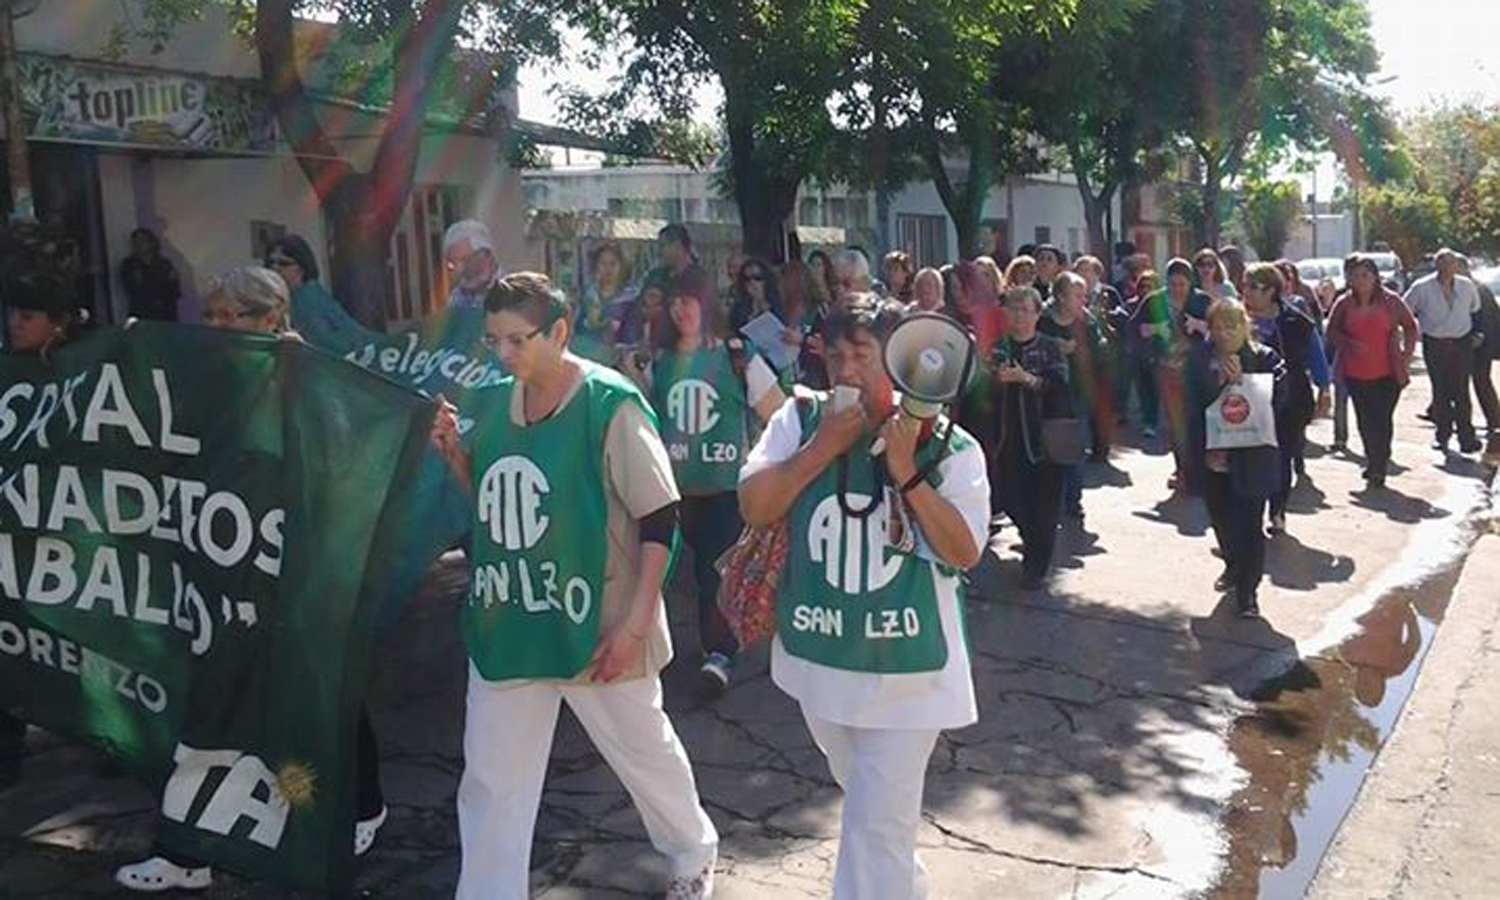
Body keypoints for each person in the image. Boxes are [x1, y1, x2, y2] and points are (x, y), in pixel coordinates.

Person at [431, 273, 718, 900]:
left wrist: (636, 624)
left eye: (517, 340)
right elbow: (496, 504)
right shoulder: (495, 405)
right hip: (512, 619)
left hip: (600, 623)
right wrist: (456, 457)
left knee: (642, 752)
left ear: (559, 332)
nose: (504, 355)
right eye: (494, 341)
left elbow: (658, 517)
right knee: (492, 777)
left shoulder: (609, 402)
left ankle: (691, 848)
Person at [116, 266, 388, 893]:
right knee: (210, 705)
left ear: (272, 318)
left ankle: (361, 806)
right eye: (209, 315)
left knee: (322, 692)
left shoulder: (308, 376)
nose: (216, 327)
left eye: (232, 315)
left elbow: (350, 454)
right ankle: (187, 852)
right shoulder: (202, 376)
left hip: (291, 570)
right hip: (216, 569)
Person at [738, 296, 988, 900]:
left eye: (863, 356)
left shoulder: (949, 445)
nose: (846, 370)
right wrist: (820, 450)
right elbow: (754, 505)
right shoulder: (797, 422)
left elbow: (964, 550)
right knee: (871, 809)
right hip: (821, 660)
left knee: (875, 826)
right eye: (836, 355)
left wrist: (906, 470)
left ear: (896, 360)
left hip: (910, 675)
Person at [632, 270, 785, 693]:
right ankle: (648, 649)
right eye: (676, 301)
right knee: (653, 570)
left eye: (691, 299)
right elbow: (638, 417)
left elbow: (779, 412)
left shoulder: (737, 355)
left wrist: (765, 469)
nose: (683, 309)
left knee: (714, 573)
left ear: (707, 304)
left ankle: (720, 654)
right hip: (670, 491)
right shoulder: (659, 360)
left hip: (723, 490)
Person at [1184, 300, 1287, 618]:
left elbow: (1280, 400)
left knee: (1250, 527)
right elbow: (1187, 403)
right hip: (1213, 459)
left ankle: (1248, 593)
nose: (1225, 332)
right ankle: (1232, 564)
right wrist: (1218, 387)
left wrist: (1243, 382)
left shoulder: (1264, 358)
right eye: (1218, 326)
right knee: (1223, 522)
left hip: (1250, 458)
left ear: (1245, 326)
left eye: (1232, 325)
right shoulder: (1200, 358)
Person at [991, 286, 1071, 589]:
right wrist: (997, 382)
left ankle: (1036, 566)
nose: (1019, 317)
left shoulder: (1049, 347)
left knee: (1046, 505)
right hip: (1009, 441)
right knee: (1012, 499)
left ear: (1038, 314)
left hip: (1047, 439)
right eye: (1013, 310)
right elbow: (982, 391)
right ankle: (1030, 538)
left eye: (1025, 310)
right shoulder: (999, 348)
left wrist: (1027, 380)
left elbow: (1060, 385)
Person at [1241, 263, 1330, 534]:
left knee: (1280, 458)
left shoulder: (1296, 321)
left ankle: (1277, 511)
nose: (1246, 293)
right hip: (1245, 399)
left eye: (1252, 287)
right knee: (1248, 461)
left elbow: (1316, 356)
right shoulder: (1235, 318)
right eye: (1244, 286)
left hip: (1288, 400)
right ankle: (1246, 522)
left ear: (1271, 291)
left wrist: (1324, 390)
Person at [1326, 255, 1419, 489]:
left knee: (1382, 420)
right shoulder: (1344, 303)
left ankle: (1379, 464)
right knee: (1365, 422)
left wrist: (1407, 355)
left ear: (1375, 277)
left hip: (1388, 374)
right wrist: (1347, 343)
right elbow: (1332, 331)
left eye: (1365, 275)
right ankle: (1374, 460)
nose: (1360, 280)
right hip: (1356, 374)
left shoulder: (1391, 301)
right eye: (1355, 276)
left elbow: (1410, 326)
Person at [1041, 272, 1108, 519]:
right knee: (1049, 448)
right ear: (1060, 296)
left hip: (1077, 393)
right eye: (1077, 295)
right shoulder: (1043, 321)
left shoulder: (1087, 323)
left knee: (1076, 448)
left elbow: (1102, 354)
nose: (1083, 300)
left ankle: (1073, 501)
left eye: (1084, 295)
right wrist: (1052, 346)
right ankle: (1051, 500)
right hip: (1047, 393)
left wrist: (1079, 349)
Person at [1403, 248, 1484, 453]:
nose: (1448, 267)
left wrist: (1477, 334)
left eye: (1452, 263)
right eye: (1444, 263)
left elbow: (1475, 311)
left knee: (1462, 391)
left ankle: (1467, 437)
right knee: (1440, 391)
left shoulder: (1467, 287)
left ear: (1457, 266)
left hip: (1461, 344)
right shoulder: (1422, 287)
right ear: (1436, 265)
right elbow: (1405, 311)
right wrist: (1411, 337)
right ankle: (1442, 435)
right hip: (1435, 344)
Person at [1146, 259, 1214, 490]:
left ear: (1191, 282)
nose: (1177, 289)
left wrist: (1201, 326)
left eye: (1182, 284)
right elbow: (1134, 329)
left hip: (1197, 374)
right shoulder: (1155, 300)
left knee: (1196, 422)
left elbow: (1218, 331)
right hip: (1168, 373)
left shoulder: (1202, 301)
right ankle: (1182, 470)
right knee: (1176, 425)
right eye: (1172, 284)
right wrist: (1152, 330)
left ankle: (1197, 473)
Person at [266, 234, 374, 356]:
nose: (275, 268)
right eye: (271, 262)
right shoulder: (291, 295)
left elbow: (323, 347)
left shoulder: (306, 299)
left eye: (284, 263)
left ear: (301, 268)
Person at [574, 241, 639, 364]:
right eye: (603, 263)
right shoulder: (589, 294)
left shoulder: (630, 297)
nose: (607, 269)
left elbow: (632, 334)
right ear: (596, 266)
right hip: (585, 358)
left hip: (619, 360)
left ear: (622, 266)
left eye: (613, 264)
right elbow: (578, 328)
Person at [1457, 255, 1500, 438]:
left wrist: (1481, 338)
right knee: (1456, 381)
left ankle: (1495, 421)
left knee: (1481, 381)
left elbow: (1488, 320)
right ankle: (1436, 412)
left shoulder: (1477, 289)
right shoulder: (1460, 288)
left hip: (1481, 345)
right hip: (1467, 343)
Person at [1119, 270, 1163, 437]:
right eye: (1143, 286)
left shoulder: (1161, 305)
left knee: (1153, 389)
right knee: (1141, 388)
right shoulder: (1130, 304)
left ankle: (1151, 421)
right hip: (1135, 354)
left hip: (1156, 354)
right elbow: (1128, 325)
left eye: (1150, 286)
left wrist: (1155, 329)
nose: (1146, 290)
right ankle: (1137, 418)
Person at [119, 227, 181, 322]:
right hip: (143, 314)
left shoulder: (164, 263)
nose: (139, 244)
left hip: (166, 313)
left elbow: (174, 290)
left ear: (151, 243)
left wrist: (171, 283)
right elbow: (134, 289)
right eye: (135, 241)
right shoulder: (130, 264)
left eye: (142, 241)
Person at [443, 219, 502, 309]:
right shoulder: (457, 298)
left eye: (466, 260)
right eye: (453, 264)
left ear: (488, 256)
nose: (459, 270)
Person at [729, 256, 782, 332]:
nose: (752, 282)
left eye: (757, 277)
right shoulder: (738, 308)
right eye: (747, 279)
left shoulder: (780, 304)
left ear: (766, 279)